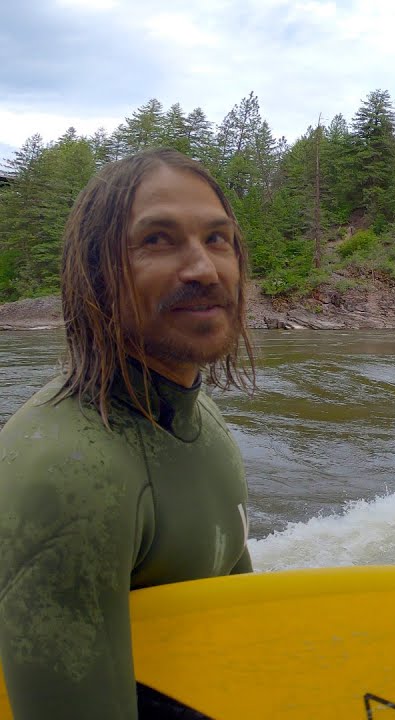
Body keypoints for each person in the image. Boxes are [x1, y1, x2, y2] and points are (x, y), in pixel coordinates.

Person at [0, 149, 257, 719]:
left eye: (218, 239)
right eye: (158, 241)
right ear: (95, 272)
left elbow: (243, 622)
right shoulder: (70, 473)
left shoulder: (199, 418)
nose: (204, 270)